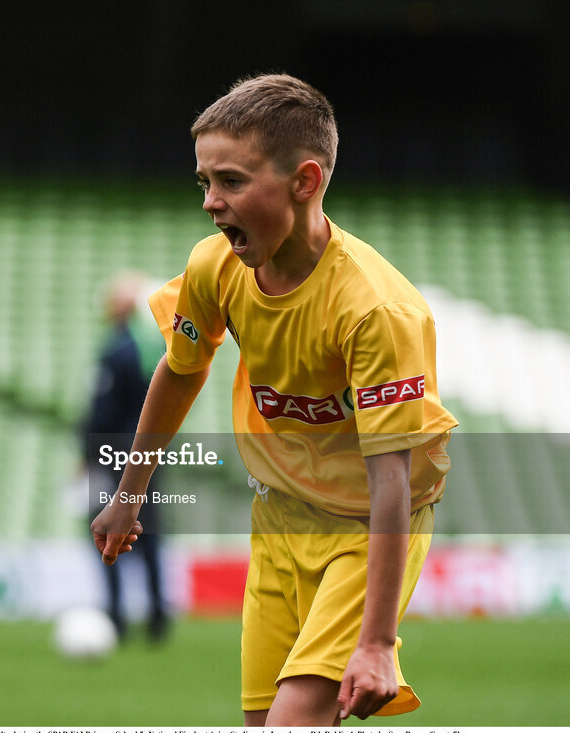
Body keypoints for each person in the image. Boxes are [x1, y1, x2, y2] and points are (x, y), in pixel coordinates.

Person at [91, 74, 457, 725]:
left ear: (305, 181)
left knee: (292, 723)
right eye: (203, 182)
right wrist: (129, 492)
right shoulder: (215, 267)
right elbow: (181, 371)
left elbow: (392, 475)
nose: (210, 201)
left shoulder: (376, 308)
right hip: (279, 521)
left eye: (230, 181)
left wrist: (376, 642)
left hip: (362, 532)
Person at [82, 271, 170, 642]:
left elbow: (100, 412)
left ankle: (116, 615)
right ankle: (157, 615)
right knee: (149, 533)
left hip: (116, 452)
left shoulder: (118, 349)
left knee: (108, 531)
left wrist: (88, 454)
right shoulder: (153, 347)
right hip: (153, 452)